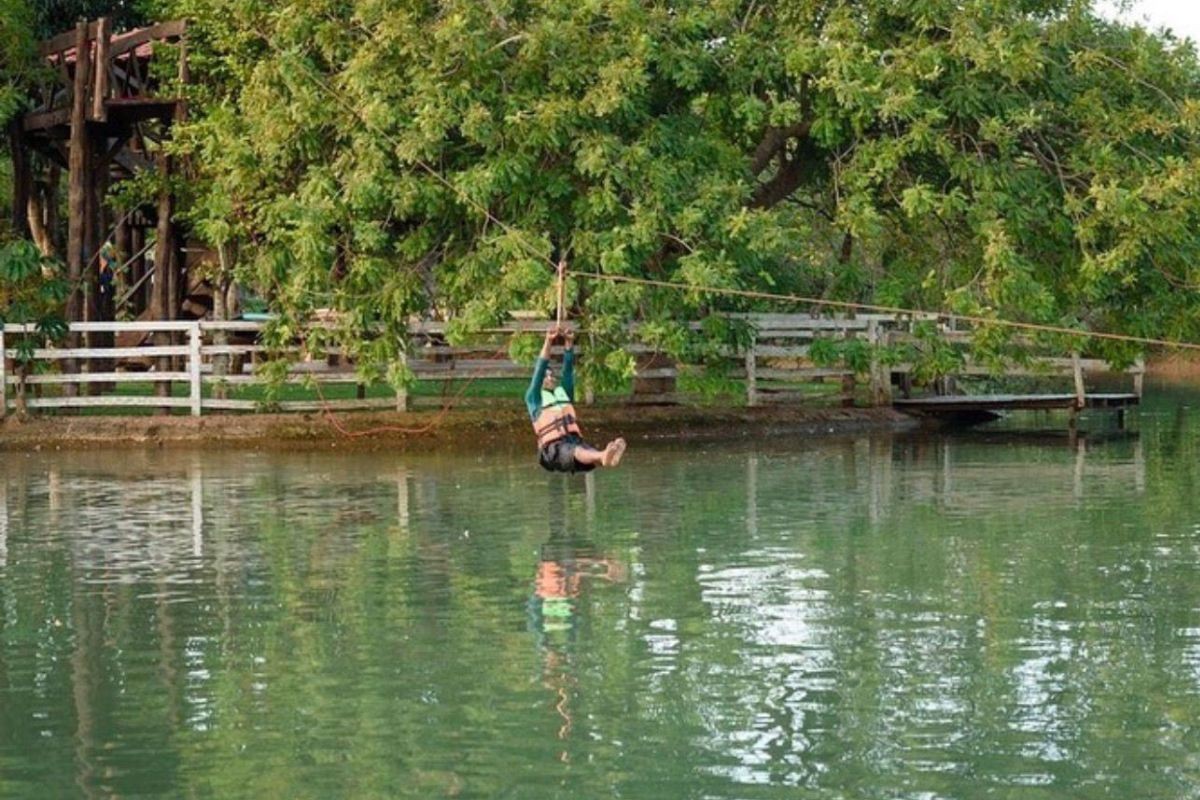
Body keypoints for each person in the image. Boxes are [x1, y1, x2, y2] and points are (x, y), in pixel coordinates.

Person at [526, 326, 626, 472]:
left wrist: (569, 344)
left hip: (574, 441)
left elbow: (567, 372)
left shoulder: (563, 394)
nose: (549, 378)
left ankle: (606, 458)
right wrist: (548, 341)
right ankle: (604, 455)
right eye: (545, 376)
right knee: (577, 451)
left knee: (585, 452)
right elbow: (540, 367)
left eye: (551, 375)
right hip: (552, 450)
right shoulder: (534, 398)